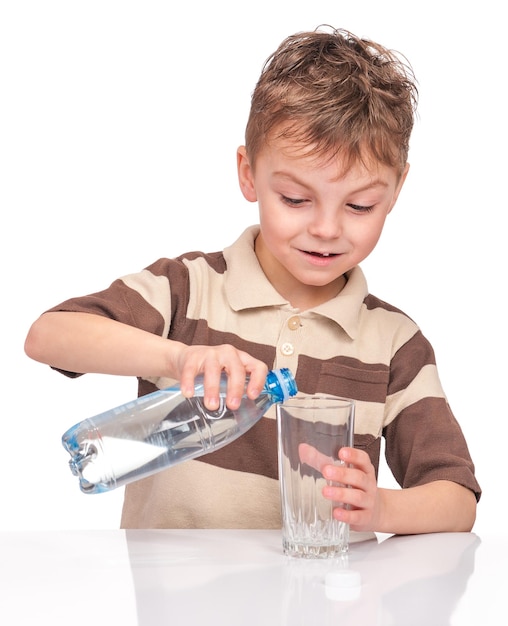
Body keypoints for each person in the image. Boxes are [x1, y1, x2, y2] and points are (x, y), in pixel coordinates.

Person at [24, 26, 481, 534]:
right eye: (294, 199)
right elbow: (48, 337)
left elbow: (457, 499)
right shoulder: (187, 290)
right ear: (248, 173)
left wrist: (383, 509)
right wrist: (179, 358)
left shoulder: (395, 344)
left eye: (359, 205)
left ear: (396, 192)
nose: (326, 228)